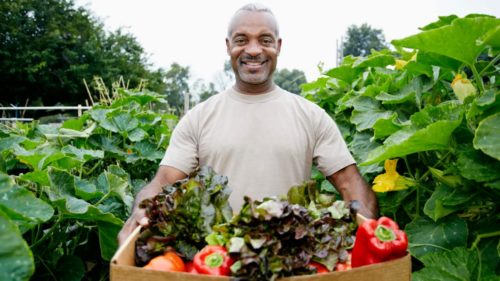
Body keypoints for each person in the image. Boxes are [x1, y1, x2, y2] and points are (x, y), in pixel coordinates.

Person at [118, 3, 378, 245]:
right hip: (217, 261)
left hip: (290, 260)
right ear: (228, 45)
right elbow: (162, 182)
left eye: (265, 40)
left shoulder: (311, 116)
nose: (253, 50)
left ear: (278, 46)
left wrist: (369, 229)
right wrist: (141, 211)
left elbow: (350, 183)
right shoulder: (199, 118)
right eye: (242, 40)